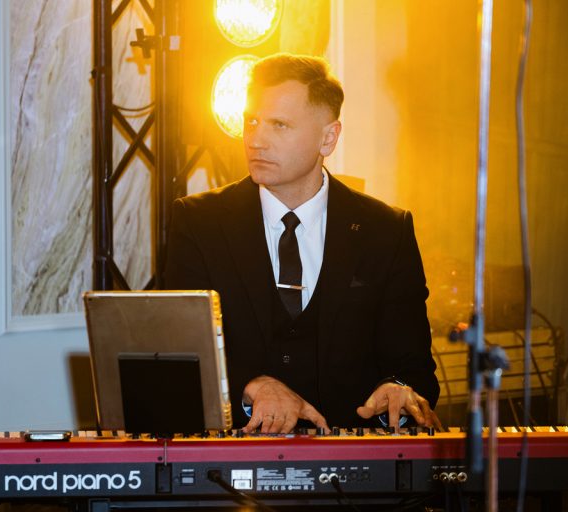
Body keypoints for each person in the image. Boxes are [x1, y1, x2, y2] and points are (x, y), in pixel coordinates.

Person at [164, 53, 441, 434]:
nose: (256, 139)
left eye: (279, 125)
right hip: (233, 457)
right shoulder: (199, 222)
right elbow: (178, 353)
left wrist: (397, 390)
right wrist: (252, 385)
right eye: (251, 121)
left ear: (329, 138)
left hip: (351, 462)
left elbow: (414, 369)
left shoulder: (386, 231)